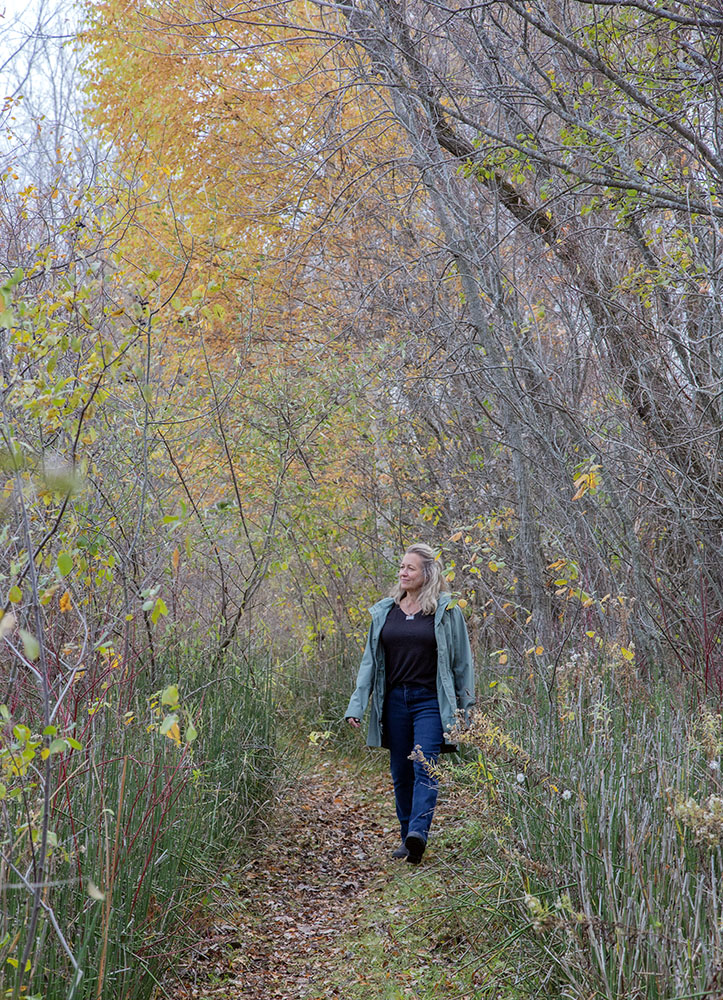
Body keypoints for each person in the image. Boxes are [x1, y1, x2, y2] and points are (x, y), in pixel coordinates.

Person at [345, 543, 475, 864]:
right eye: (401, 567)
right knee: (401, 772)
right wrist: (356, 705)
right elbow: (369, 665)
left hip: (430, 701)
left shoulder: (446, 612)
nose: (403, 573)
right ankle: (408, 840)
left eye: (410, 568)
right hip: (395, 703)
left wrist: (466, 710)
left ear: (427, 574)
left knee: (424, 765)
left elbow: (463, 664)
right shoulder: (385, 612)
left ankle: (419, 832)